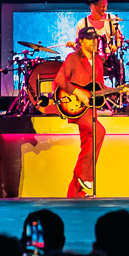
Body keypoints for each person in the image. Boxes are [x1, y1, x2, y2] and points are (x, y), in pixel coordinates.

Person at [53, 28, 107, 197]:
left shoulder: (98, 62)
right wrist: (78, 92)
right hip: (74, 106)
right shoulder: (73, 58)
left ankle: (76, 193)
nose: (95, 42)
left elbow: (100, 87)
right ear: (81, 41)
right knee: (99, 131)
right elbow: (59, 80)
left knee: (88, 145)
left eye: (96, 39)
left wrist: (119, 90)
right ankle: (85, 176)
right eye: (91, 39)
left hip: (90, 108)